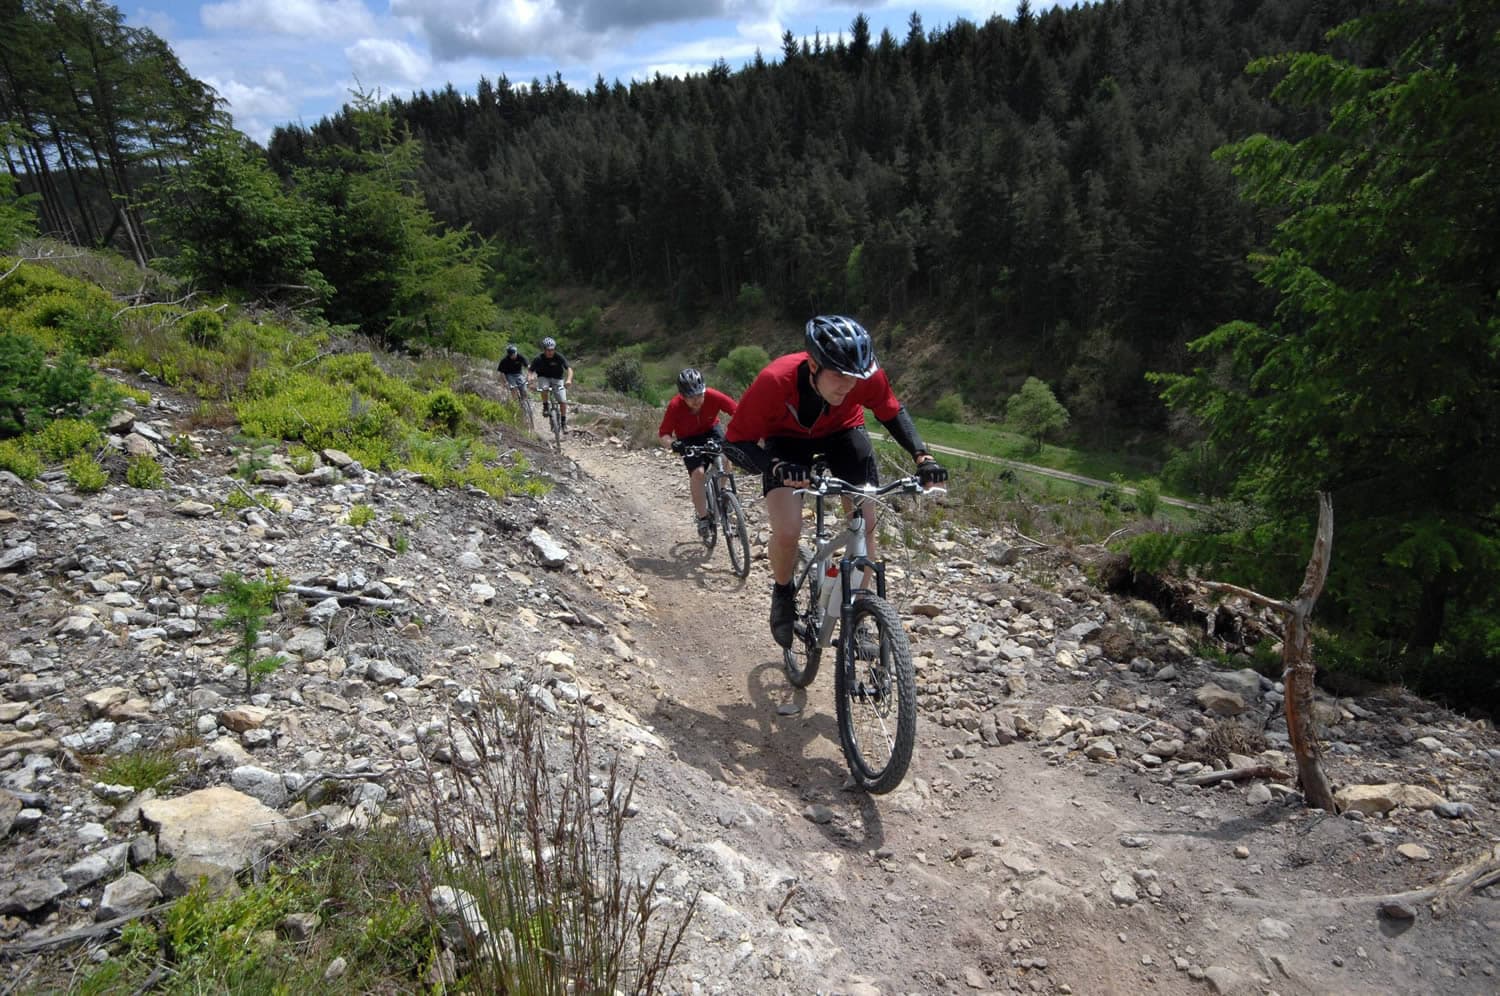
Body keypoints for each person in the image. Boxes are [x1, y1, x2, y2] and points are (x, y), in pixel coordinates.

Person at [724, 315, 947, 648]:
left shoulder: (864, 377)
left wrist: (923, 457)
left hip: (844, 434)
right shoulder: (775, 380)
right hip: (787, 442)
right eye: (839, 375)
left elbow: (890, 411)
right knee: (787, 530)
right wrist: (775, 466)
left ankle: (856, 611)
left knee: (864, 526)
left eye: (854, 377)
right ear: (813, 364)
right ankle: (783, 593)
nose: (848, 385)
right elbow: (736, 442)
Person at [658, 368, 739, 542]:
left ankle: (722, 494)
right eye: (691, 397)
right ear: (682, 395)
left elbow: (737, 412)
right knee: (698, 474)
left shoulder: (713, 396)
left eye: (699, 395)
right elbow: (663, 434)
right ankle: (703, 518)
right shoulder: (674, 406)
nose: (697, 401)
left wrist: (742, 432)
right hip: (688, 439)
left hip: (711, 430)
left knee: (726, 458)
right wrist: (673, 445)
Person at [528, 336, 574, 429]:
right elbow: (530, 370)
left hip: (557, 379)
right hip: (543, 377)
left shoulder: (559, 357)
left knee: (563, 401)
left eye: (552, 350)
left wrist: (569, 380)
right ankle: (545, 406)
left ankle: (563, 422)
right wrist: (530, 379)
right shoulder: (538, 358)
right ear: (544, 350)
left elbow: (569, 369)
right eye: (548, 350)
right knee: (544, 388)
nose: (550, 352)